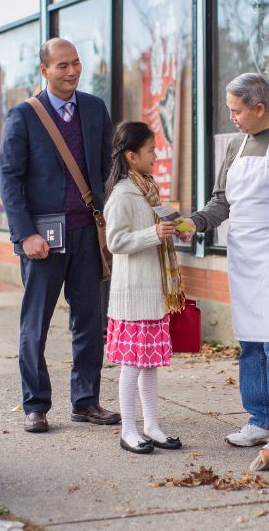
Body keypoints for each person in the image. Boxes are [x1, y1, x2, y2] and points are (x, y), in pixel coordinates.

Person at [181, 72, 269, 450]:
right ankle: (261, 418)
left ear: (259, 108)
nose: (232, 117)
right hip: (244, 250)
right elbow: (221, 201)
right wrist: (193, 223)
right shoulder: (236, 146)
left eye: (236, 110)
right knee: (251, 341)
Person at [0, 38, 118, 433]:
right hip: (42, 239)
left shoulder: (95, 109)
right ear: (45, 71)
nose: (72, 71)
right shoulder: (23, 116)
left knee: (89, 321)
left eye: (76, 63)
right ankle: (35, 404)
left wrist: (112, 221)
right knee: (36, 325)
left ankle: (86, 402)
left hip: (87, 233)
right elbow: (10, 181)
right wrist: (25, 234)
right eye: (62, 65)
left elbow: (106, 173)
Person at [102, 121, 186, 454]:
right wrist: (155, 234)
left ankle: (151, 425)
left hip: (153, 292)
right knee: (132, 363)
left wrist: (175, 228)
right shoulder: (123, 193)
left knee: (150, 362)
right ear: (131, 155)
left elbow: (154, 228)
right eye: (151, 151)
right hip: (133, 294)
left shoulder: (148, 188)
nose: (156, 156)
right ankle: (129, 429)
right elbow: (116, 241)